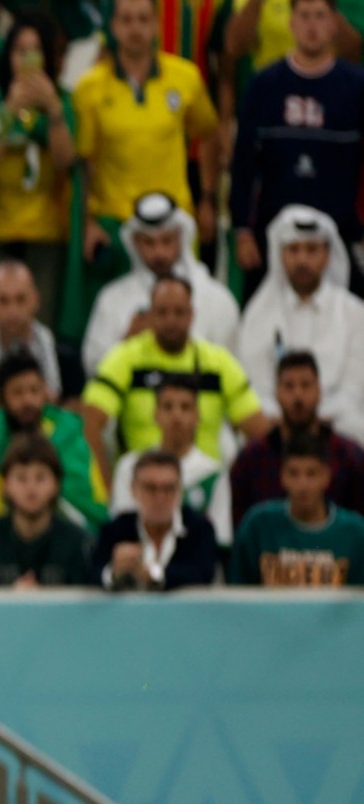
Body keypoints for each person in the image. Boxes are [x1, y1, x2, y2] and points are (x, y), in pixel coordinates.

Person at [74, 0, 219, 284]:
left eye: (142, 20)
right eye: (126, 21)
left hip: (175, 221)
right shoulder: (89, 88)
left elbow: (210, 134)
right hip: (116, 224)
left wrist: (208, 198)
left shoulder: (185, 77)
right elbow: (83, 164)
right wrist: (87, 222)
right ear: (113, 27)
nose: (135, 29)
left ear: (155, 25)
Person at [231, 0, 364, 292]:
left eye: (320, 16)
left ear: (334, 23)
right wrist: (242, 231)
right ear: (291, 22)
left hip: (340, 233)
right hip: (272, 235)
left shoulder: (356, 87)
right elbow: (243, 164)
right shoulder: (263, 85)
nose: (312, 26)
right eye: (304, 16)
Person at [0, 11, 78, 327]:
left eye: (35, 51)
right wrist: (9, 112)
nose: (27, 59)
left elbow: (67, 161)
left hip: (45, 235)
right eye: (19, 51)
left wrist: (52, 112)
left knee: (41, 325)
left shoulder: (63, 103)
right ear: (7, 55)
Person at [81, 276, 267, 478]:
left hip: (205, 483)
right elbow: (89, 421)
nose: (171, 320)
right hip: (141, 484)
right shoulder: (124, 358)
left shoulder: (219, 363)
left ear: (192, 315)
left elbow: (260, 433)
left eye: (179, 312)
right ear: (150, 314)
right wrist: (105, 490)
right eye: (162, 312)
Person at [0, 353, 107, 575]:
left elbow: (90, 509)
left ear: (47, 393)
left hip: (62, 548)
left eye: (34, 391)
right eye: (17, 393)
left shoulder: (70, 436)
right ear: (0, 398)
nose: (27, 401)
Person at [237, 206, 364, 443]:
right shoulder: (258, 313)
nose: (302, 259)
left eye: (312, 250)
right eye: (293, 250)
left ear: (327, 254)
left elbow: (353, 391)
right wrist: (287, 419)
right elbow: (256, 387)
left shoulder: (355, 313)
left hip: (339, 424)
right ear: (280, 254)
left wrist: (314, 420)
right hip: (276, 423)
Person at [82, 192, 242, 376]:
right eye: (149, 243)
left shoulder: (216, 298)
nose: (159, 253)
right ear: (135, 243)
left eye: (167, 241)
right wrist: (126, 342)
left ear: (182, 239)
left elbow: (233, 370)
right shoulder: (112, 298)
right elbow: (92, 369)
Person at [229, 350, 364, 528]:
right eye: (289, 386)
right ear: (276, 392)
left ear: (319, 391)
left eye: (306, 385)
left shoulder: (349, 457)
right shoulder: (250, 460)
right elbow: (242, 532)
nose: (298, 395)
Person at [0, 260, 85, 435]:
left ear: (36, 300)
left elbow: (79, 429)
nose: (13, 311)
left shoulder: (67, 363)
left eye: (21, 300)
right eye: (3, 301)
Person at [0, 432, 94, 588]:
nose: (30, 488)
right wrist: (11, 600)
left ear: (56, 484)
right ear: (5, 485)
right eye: (21, 478)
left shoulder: (78, 542)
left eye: (40, 478)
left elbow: (92, 599)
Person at [230, 430, 364, 586]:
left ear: (326, 477)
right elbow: (237, 593)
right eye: (294, 473)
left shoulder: (355, 533)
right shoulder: (257, 526)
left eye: (311, 474)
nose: (303, 485)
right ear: (282, 476)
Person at [109, 382, 233, 547]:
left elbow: (220, 537)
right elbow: (122, 525)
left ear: (198, 416)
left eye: (185, 407)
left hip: (194, 565)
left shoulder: (213, 473)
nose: (176, 415)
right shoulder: (129, 466)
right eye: (168, 407)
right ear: (155, 414)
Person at [92, 449, 219, 589]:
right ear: (133, 489)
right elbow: (94, 575)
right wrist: (114, 572)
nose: (160, 498)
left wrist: (153, 574)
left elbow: (202, 574)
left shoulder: (199, 529)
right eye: (150, 488)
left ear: (180, 491)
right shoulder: (115, 530)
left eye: (168, 489)